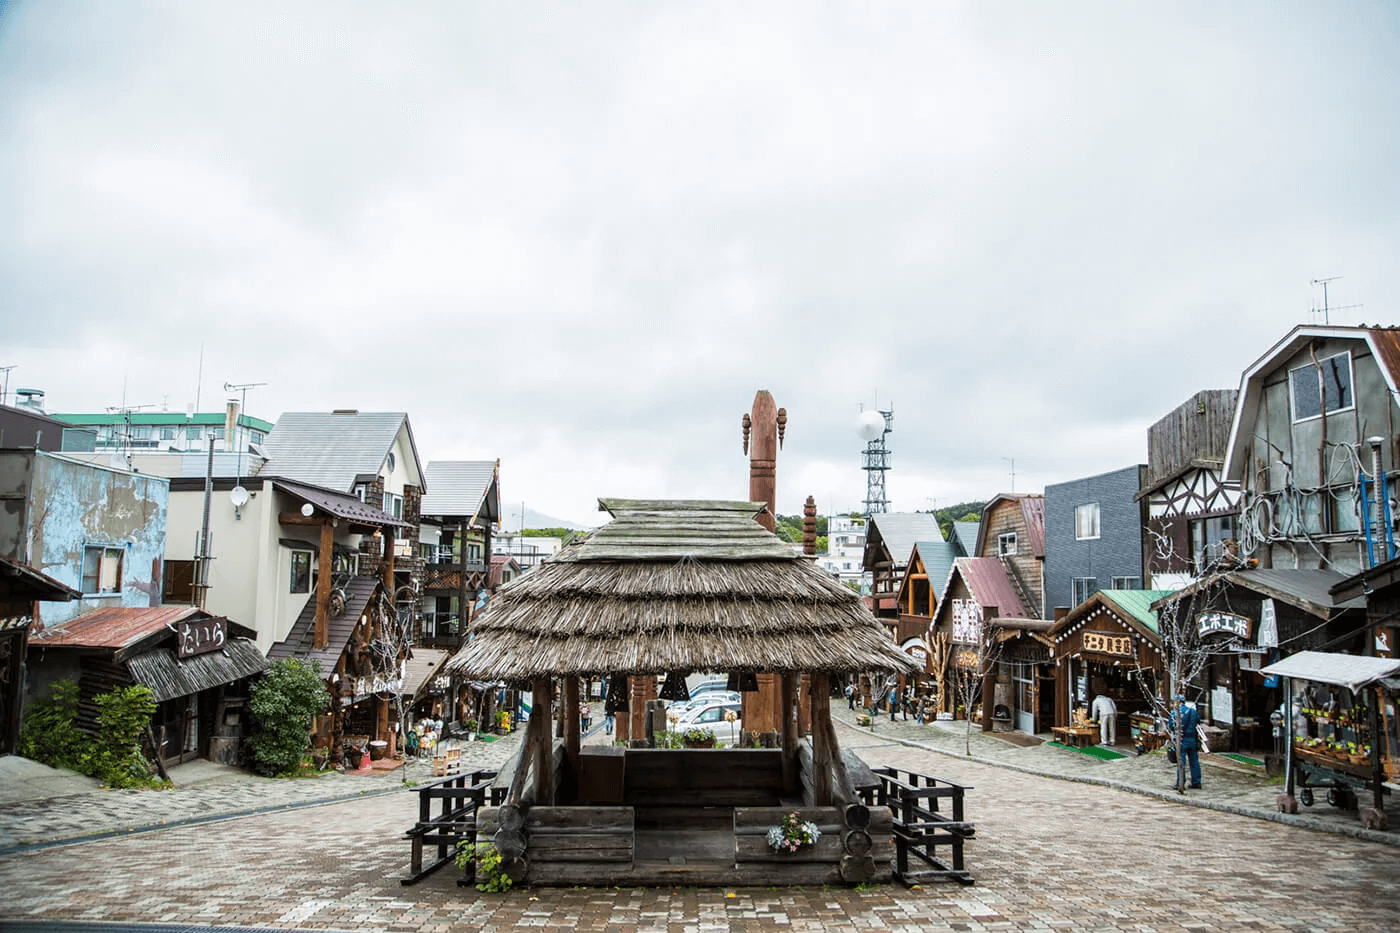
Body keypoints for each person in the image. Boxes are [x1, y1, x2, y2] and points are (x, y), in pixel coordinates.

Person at [1169, 695, 1203, 789]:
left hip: (1181, 740)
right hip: (1192, 739)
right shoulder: (1193, 711)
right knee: (1194, 762)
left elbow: (1171, 726)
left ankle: (1180, 783)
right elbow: (1198, 722)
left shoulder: (1175, 713)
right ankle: (1196, 782)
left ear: (1177, 702)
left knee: (1181, 763)